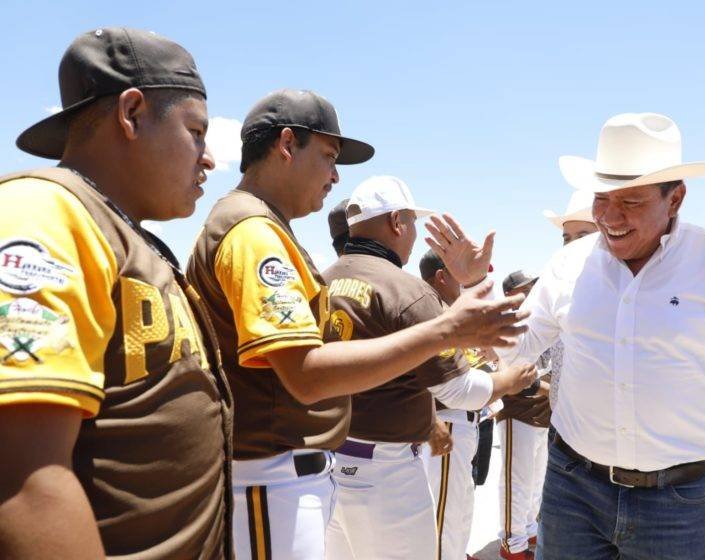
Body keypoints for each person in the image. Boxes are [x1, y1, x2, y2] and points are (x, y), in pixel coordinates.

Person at [187, 92, 529, 560]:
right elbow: (306, 373)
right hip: (272, 472)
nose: (334, 176)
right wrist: (448, 330)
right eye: (328, 157)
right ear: (287, 145)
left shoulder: (288, 244)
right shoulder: (253, 232)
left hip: (304, 467)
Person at [489, 112, 705, 560]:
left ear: (676, 198)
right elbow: (514, 347)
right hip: (572, 491)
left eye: (632, 201)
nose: (610, 216)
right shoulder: (568, 267)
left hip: (675, 505)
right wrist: (477, 298)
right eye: (602, 199)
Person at [0, 28, 233, 558]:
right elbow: (25, 480)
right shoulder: (43, 212)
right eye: (196, 132)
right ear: (131, 114)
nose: (209, 157)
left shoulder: (126, 236)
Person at [323, 175, 537, 560]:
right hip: (387, 471)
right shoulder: (407, 292)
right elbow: (458, 390)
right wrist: (508, 380)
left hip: (333, 462)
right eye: (413, 224)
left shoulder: (323, 281)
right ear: (396, 223)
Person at [418, 249, 497, 560]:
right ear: (442, 277)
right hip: (447, 419)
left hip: (470, 418)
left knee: (461, 503)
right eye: (460, 276)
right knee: (445, 512)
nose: (468, 283)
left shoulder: (454, 315)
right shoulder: (432, 313)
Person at [497, 271, 552, 560]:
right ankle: (512, 544)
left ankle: (528, 530)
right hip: (518, 411)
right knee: (516, 482)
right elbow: (509, 371)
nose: (534, 292)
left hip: (542, 412)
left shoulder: (537, 321)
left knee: (535, 480)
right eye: (528, 288)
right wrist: (550, 389)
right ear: (511, 293)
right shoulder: (504, 324)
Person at [542, 190, 598, 430]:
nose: (572, 245)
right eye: (567, 238)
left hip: (603, 434)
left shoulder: (626, 295)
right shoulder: (556, 291)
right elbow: (537, 355)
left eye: (583, 236)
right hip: (561, 428)